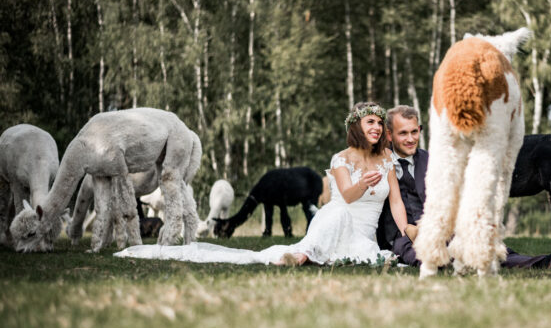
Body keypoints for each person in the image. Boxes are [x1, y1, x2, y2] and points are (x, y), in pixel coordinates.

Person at [115, 102, 408, 266]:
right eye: (370, 122)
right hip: (337, 219)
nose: (377, 128)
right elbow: (346, 194)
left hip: (363, 234)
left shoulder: (386, 160)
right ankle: (302, 254)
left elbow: (395, 201)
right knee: (337, 212)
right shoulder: (340, 159)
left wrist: (408, 231)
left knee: (358, 251)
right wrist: (363, 184)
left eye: (380, 123)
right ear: (356, 126)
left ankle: (307, 255)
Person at [376, 105, 551, 269]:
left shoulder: (432, 159)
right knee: (437, 255)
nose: (410, 138)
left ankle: (549, 260)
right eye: (403, 133)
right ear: (389, 135)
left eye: (414, 132)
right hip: (405, 236)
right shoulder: (378, 163)